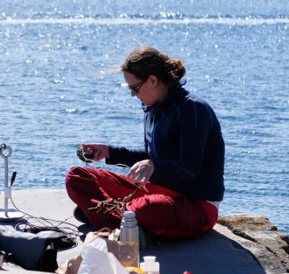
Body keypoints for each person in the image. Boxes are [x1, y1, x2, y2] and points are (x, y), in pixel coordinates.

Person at [66, 46, 224, 240]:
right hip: (156, 191)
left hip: (196, 205)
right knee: (76, 177)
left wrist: (154, 165)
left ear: (153, 80)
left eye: (134, 88)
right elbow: (152, 158)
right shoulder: (152, 108)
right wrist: (109, 152)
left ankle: (112, 217)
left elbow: (190, 168)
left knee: (146, 208)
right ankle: (122, 221)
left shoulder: (193, 109)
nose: (132, 94)